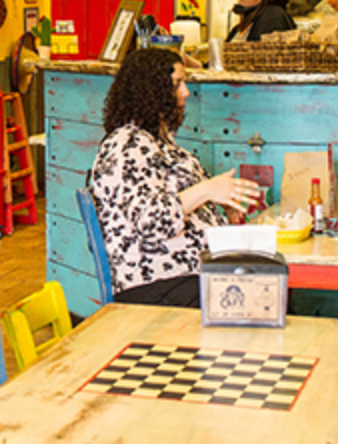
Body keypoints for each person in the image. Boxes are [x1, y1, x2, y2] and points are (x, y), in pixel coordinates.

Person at [89, 48, 260, 305]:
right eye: (178, 83)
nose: (186, 92)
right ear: (151, 90)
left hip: (183, 274)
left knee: (273, 280)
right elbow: (151, 222)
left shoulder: (158, 141)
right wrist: (207, 191)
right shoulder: (127, 146)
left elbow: (176, 198)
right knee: (267, 293)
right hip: (155, 281)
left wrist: (219, 201)